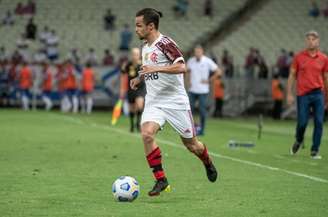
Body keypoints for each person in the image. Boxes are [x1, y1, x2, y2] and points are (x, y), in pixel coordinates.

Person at [130, 8, 218, 197]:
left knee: (192, 145)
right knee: (146, 134)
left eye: (139, 25)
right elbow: (149, 70)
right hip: (154, 101)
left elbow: (181, 66)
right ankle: (161, 179)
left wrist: (157, 68)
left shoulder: (165, 43)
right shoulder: (145, 47)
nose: (135, 29)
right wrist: (139, 78)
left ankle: (207, 161)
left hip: (175, 102)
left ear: (151, 26)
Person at [287, 30, 328, 159]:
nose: (311, 41)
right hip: (303, 94)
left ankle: (314, 150)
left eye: (313, 39)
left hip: (318, 94)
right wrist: (289, 93)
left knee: (319, 122)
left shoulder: (324, 59)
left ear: (318, 41)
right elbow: (292, 75)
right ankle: (299, 140)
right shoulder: (299, 57)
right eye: (309, 39)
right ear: (306, 41)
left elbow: (326, 77)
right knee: (302, 122)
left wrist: (327, 95)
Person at [186, 45, 222, 135]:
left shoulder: (207, 61)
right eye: (195, 52)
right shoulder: (191, 61)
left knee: (202, 110)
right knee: (189, 110)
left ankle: (202, 130)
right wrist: (188, 81)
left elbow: (219, 71)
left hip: (203, 90)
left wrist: (209, 80)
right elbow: (187, 70)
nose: (197, 54)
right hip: (192, 89)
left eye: (198, 52)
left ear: (202, 52)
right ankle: (190, 128)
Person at [120, 48, 146, 132]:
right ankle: (132, 125)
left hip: (140, 88)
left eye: (137, 54)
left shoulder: (143, 64)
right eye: (134, 54)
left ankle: (138, 123)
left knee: (139, 105)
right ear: (131, 55)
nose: (135, 56)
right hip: (131, 89)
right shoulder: (128, 64)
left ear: (139, 55)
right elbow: (123, 74)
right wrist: (122, 89)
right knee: (131, 108)